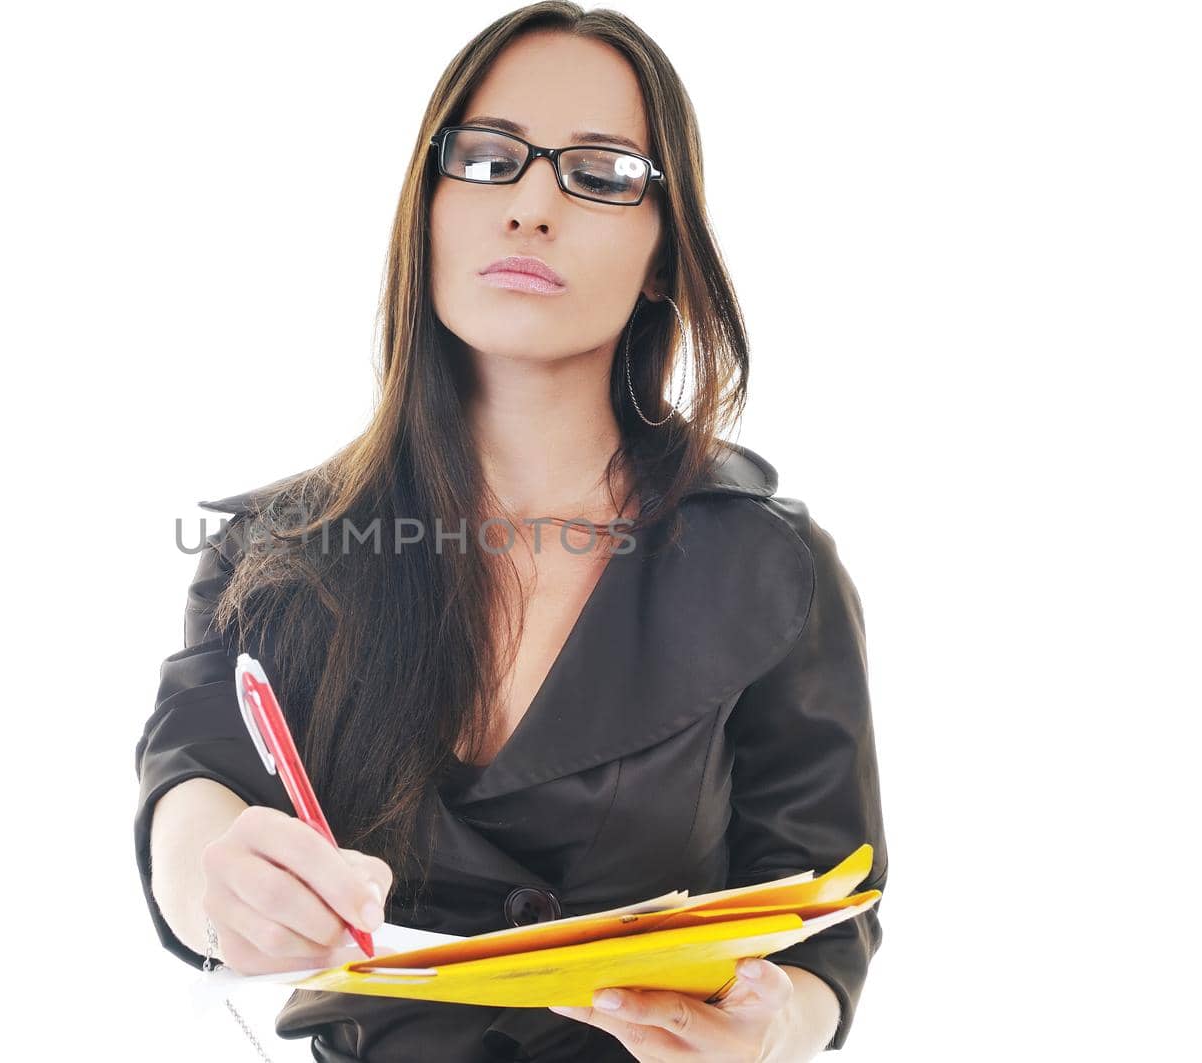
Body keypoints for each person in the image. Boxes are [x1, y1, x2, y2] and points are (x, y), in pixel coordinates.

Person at [134, 4, 888, 1060]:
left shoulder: (768, 567)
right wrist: (217, 894)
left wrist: (772, 1034)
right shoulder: (276, 547)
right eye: (487, 160)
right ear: (428, 209)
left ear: (665, 252)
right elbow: (191, 785)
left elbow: (828, 925)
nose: (532, 205)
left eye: (602, 172)